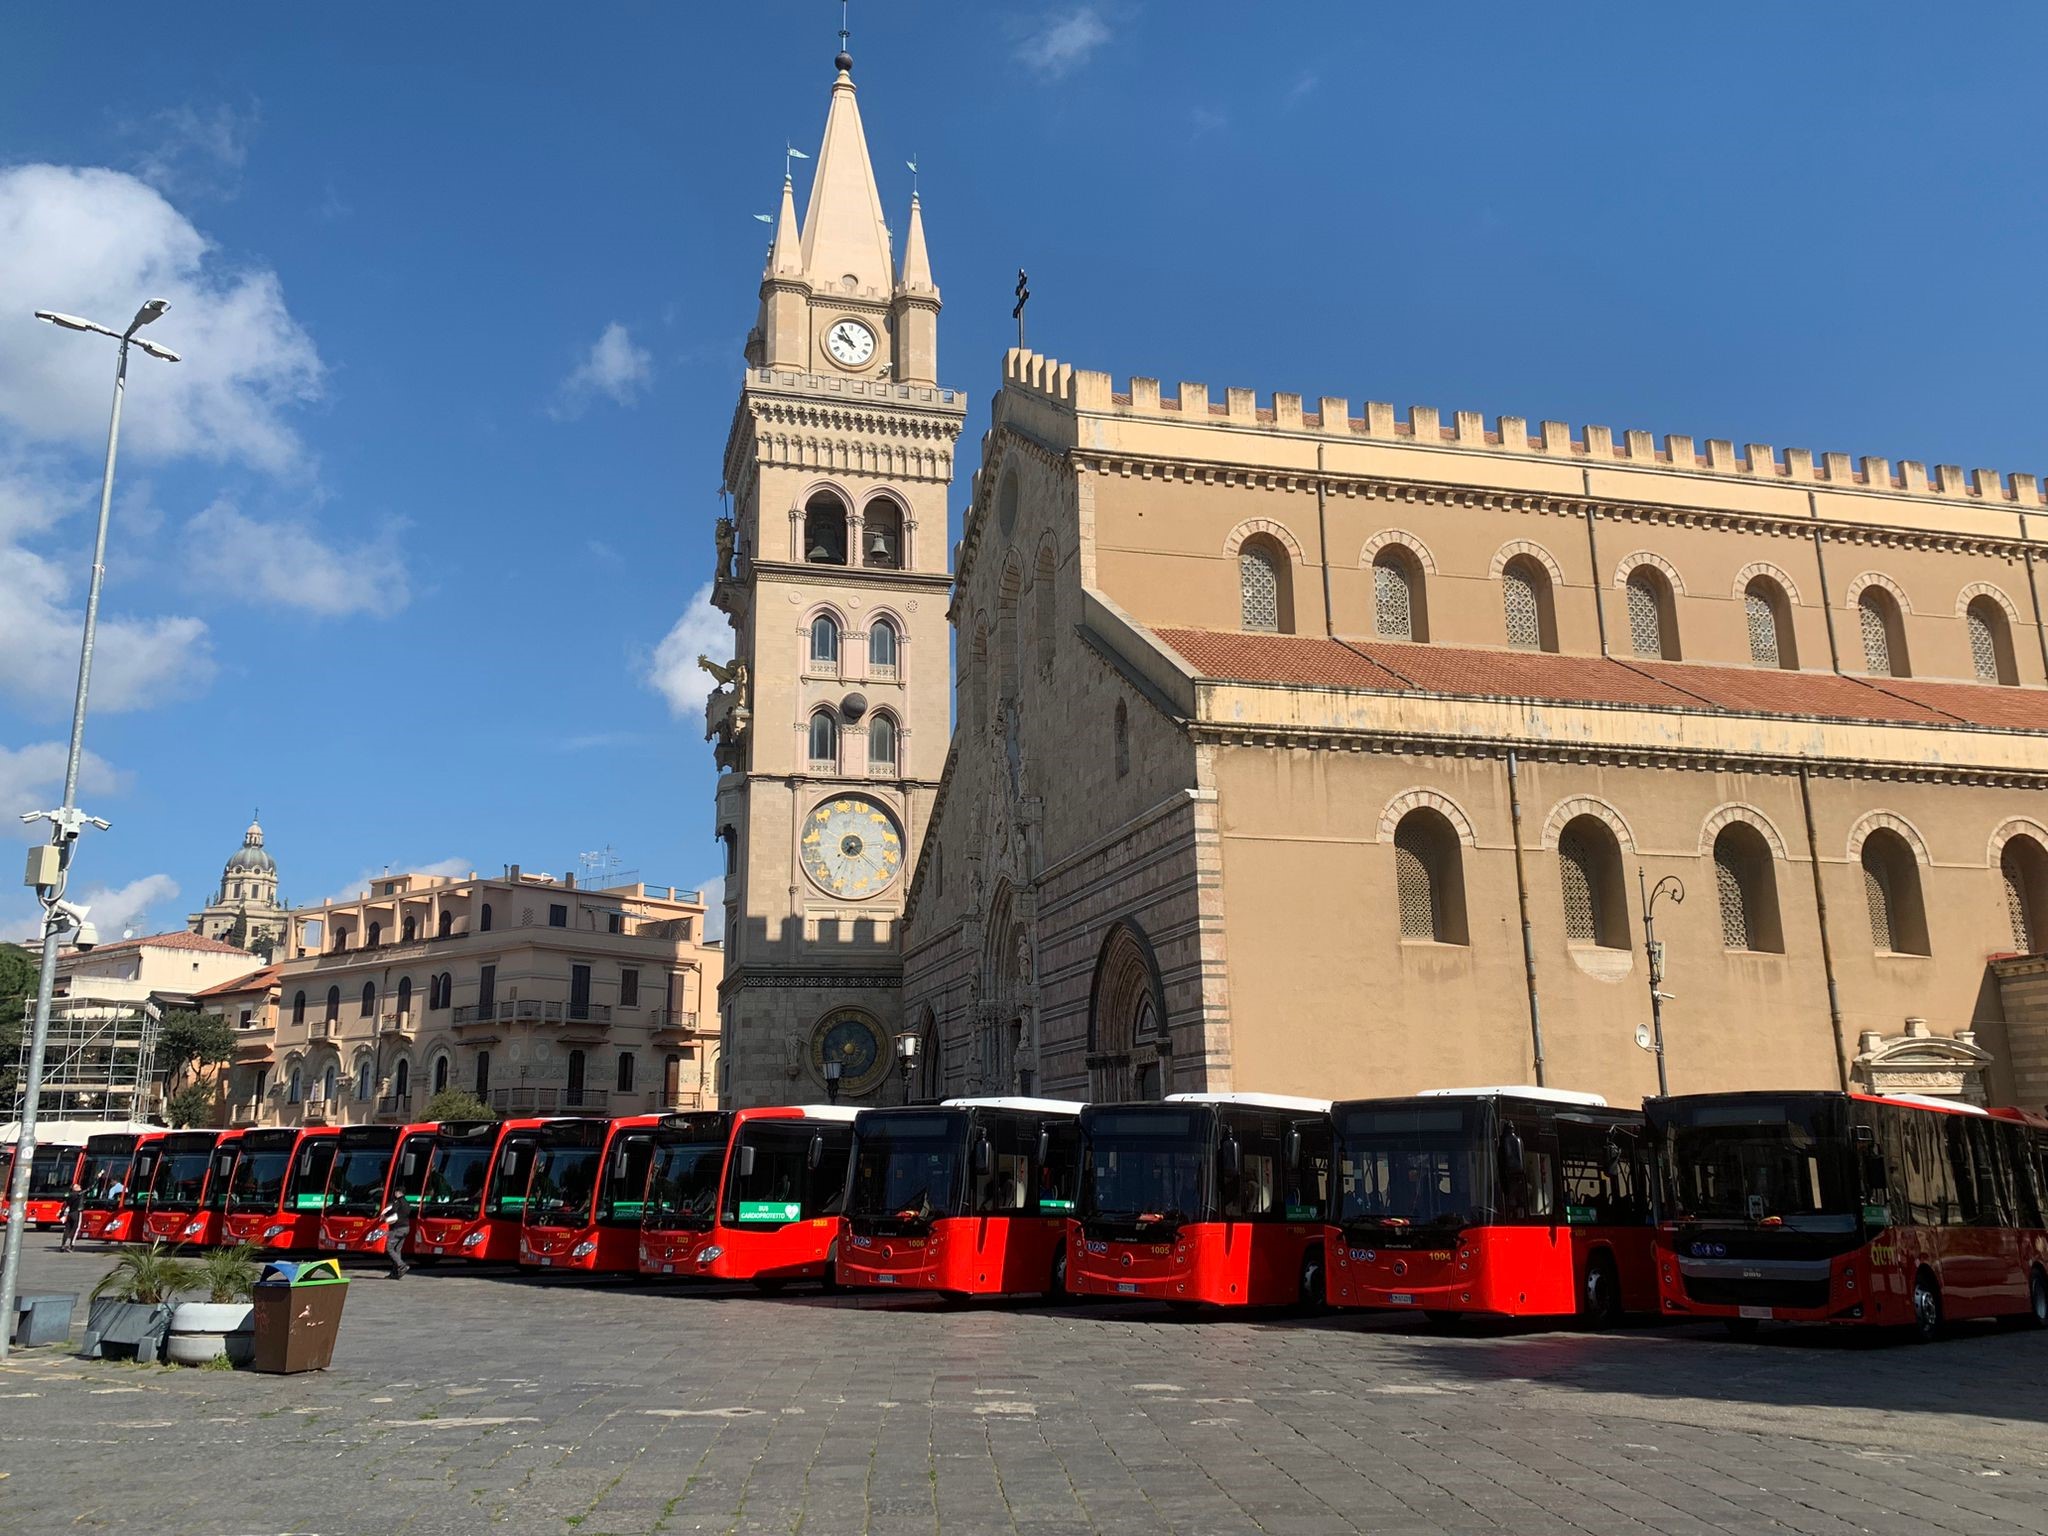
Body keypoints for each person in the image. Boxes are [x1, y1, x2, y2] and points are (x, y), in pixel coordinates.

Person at [376, 1195, 413, 1279]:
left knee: (389, 1248)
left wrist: (385, 1215)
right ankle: (396, 1273)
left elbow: (392, 1210)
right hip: (406, 1228)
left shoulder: (397, 1202)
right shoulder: (406, 1203)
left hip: (397, 1229)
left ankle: (402, 1265)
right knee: (397, 1250)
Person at [57, 1182, 85, 1252]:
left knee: (67, 1229)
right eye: (77, 1186)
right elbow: (90, 1188)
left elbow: (63, 1201)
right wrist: (98, 1178)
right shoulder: (79, 1194)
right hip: (76, 1213)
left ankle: (62, 1245)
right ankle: (71, 1246)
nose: (79, 1186)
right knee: (75, 1229)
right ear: (75, 1188)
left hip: (70, 1213)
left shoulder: (69, 1195)